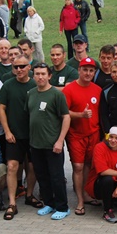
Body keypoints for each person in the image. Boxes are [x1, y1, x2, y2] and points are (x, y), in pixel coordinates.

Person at [0, 56, 40, 219]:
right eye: (15, 67)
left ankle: (29, 195)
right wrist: (7, 131)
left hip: (33, 135)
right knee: (12, 167)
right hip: (14, 135)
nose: (19, 70)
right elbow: (1, 108)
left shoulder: (35, 84)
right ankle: (12, 203)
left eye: (22, 66)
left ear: (29, 67)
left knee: (33, 166)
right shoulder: (8, 85)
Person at [28, 63, 71, 220]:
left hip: (53, 144)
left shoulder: (56, 95)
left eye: (43, 74)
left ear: (49, 76)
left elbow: (66, 117)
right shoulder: (31, 93)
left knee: (56, 177)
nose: (40, 77)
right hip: (36, 144)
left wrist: (60, 141)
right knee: (42, 175)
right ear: (33, 76)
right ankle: (49, 203)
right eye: (37, 74)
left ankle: (62, 207)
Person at [63, 58, 103, 216]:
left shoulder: (98, 90)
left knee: (88, 164)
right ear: (79, 70)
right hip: (76, 135)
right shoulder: (69, 89)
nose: (88, 73)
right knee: (78, 166)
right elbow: (64, 112)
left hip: (93, 133)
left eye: (91, 70)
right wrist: (81, 115)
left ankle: (85, 193)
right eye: (85, 70)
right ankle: (79, 200)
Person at [88, 126, 117, 223]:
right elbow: (103, 171)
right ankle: (107, 210)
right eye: (111, 137)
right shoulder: (100, 147)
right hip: (98, 183)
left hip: (116, 182)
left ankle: (115, 201)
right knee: (108, 179)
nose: (113, 140)